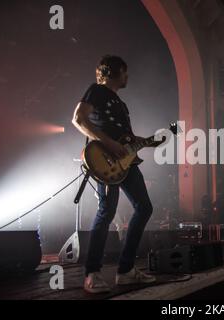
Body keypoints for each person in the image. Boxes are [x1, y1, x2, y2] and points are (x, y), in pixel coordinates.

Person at [72, 55, 156, 293]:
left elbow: (125, 139)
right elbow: (78, 119)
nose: (127, 77)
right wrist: (108, 143)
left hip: (126, 162)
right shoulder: (96, 91)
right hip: (105, 160)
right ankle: (92, 274)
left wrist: (146, 142)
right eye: (125, 72)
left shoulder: (120, 103)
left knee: (145, 207)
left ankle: (126, 271)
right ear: (114, 71)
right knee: (107, 211)